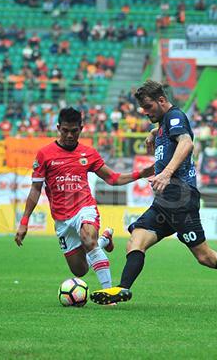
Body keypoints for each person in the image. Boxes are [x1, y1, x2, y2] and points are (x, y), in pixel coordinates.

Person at [90, 81, 217, 312]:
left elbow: (186, 142)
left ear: (161, 100)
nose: (145, 112)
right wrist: (153, 133)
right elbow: (166, 134)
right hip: (162, 202)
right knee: (136, 240)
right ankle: (122, 288)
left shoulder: (175, 116)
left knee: (205, 257)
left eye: (148, 107)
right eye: (142, 109)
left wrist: (166, 173)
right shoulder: (163, 124)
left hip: (180, 198)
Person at [15, 107, 154, 292]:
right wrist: (24, 221)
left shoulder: (88, 153)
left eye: (74, 131)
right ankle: (104, 240)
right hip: (61, 218)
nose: (70, 135)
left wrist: (140, 174)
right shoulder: (45, 154)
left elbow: (112, 178)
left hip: (84, 208)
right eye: (65, 130)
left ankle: (108, 294)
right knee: (79, 270)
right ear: (58, 128)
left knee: (88, 239)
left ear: (81, 128)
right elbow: (35, 189)